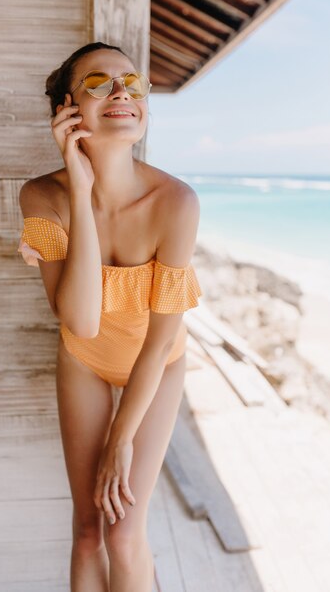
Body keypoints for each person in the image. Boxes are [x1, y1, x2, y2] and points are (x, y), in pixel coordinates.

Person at [17, 41, 202, 592]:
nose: (121, 91)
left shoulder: (177, 202)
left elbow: (160, 339)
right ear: (67, 108)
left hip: (157, 363)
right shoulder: (41, 196)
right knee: (88, 532)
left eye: (132, 82)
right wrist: (79, 185)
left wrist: (121, 439)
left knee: (124, 533)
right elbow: (82, 324)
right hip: (85, 361)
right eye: (98, 83)